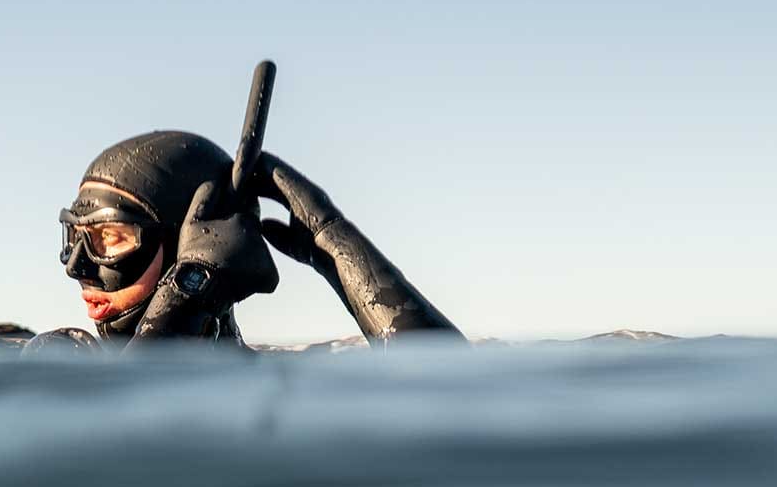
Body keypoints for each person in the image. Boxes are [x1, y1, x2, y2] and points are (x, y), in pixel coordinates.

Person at [28, 130, 462, 351]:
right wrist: (188, 294)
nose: (76, 267)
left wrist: (338, 247)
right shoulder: (60, 359)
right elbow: (118, 437)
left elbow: (454, 412)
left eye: (110, 238)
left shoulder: (270, 391)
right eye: (74, 238)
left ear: (191, 240)